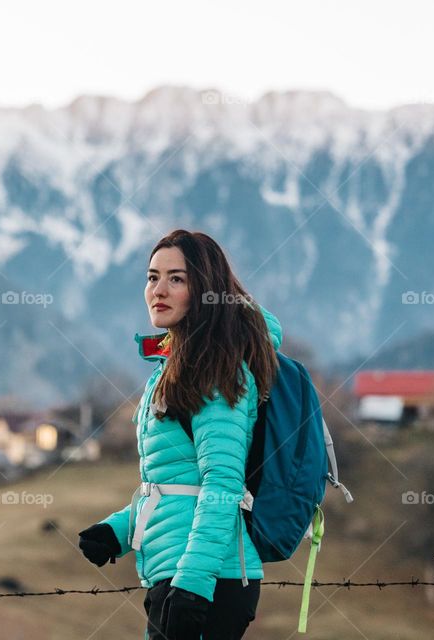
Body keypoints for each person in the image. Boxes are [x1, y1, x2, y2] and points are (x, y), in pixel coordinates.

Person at [78, 229, 282, 640]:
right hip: (176, 574)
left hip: (206, 580)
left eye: (177, 279)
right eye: (152, 277)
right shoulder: (175, 367)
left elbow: (222, 484)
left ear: (204, 289)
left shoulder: (217, 371)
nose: (159, 290)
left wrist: (193, 585)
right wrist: (117, 531)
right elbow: (174, 484)